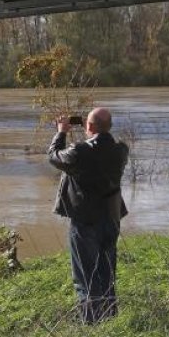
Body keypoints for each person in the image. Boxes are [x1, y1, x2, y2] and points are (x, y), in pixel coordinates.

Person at [48, 107, 129, 324]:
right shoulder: (121, 150)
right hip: (111, 219)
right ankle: (110, 318)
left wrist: (61, 132)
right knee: (107, 273)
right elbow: (99, 152)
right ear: (109, 126)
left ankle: (91, 326)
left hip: (86, 221)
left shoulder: (80, 152)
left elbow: (54, 157)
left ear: (90, 127)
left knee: (85, 276)